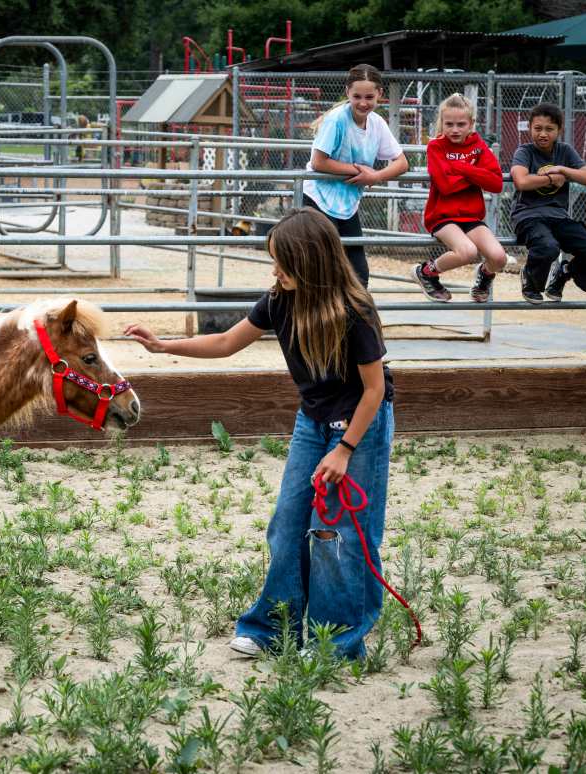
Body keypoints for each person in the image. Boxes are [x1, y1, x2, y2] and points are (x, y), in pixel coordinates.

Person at [125, 207, 394, 660]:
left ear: (310, 262)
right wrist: (163, 345)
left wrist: (345, 449)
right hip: (312, 422)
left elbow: (375, 389)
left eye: (283, 263)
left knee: (336, 532)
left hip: (358, 425)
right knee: (288, 523)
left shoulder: (356, 311)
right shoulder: (279, 299)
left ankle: (337, 643)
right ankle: (272, 628)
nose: (276, 271)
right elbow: (227, 342)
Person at [303, 64, 409, 286]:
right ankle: (317, 319)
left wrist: (377, 176)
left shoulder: (377, 123)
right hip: (319, 200)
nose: (363, 102)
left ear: (380, 94)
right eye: (357, 96)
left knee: (359, 275)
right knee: (321, 268)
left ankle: (354, 319)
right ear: (347, 92)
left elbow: (402, 162)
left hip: (347, 204)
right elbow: (318, 161)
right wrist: (360, 170)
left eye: (369, 96)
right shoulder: (336, 120)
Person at [412, 93, 506, 303]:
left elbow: (496, 184)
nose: (455, 129)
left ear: (471, 123)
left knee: (499, 258)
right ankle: (426, 272)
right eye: (449, 124)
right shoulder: (436, 146)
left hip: (471, 217)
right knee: (467, 252)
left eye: (461, 124)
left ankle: (484, 276)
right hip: (442, 216)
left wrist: (459, 168)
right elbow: (445, 186)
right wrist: (475, 172)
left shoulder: (479, 146)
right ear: (441, 123)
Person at [511, 102, 586, 304]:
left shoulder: (564, 151)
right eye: (537, 128)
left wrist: (562, 170)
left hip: (558, 216)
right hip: (529, 215)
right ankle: (531, 280)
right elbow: (521, 181)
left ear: (559, 130)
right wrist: (552, 179)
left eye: (549, 129)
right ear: (530, 128)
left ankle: (563, 273)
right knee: (548, 247)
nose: (543, 134)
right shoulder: (525, 151)